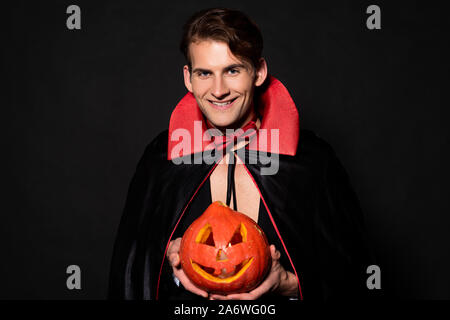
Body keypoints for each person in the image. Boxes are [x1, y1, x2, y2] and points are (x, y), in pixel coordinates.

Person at [108, 7, 376, 301]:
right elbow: (133, 274)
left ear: (258, 72)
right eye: (205, 73)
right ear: (188, 78)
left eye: (232, 70)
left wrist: (289, 284)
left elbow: (353, 275)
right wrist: (168, 263)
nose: (218, 90)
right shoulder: (162, 159)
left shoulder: (312, 160)